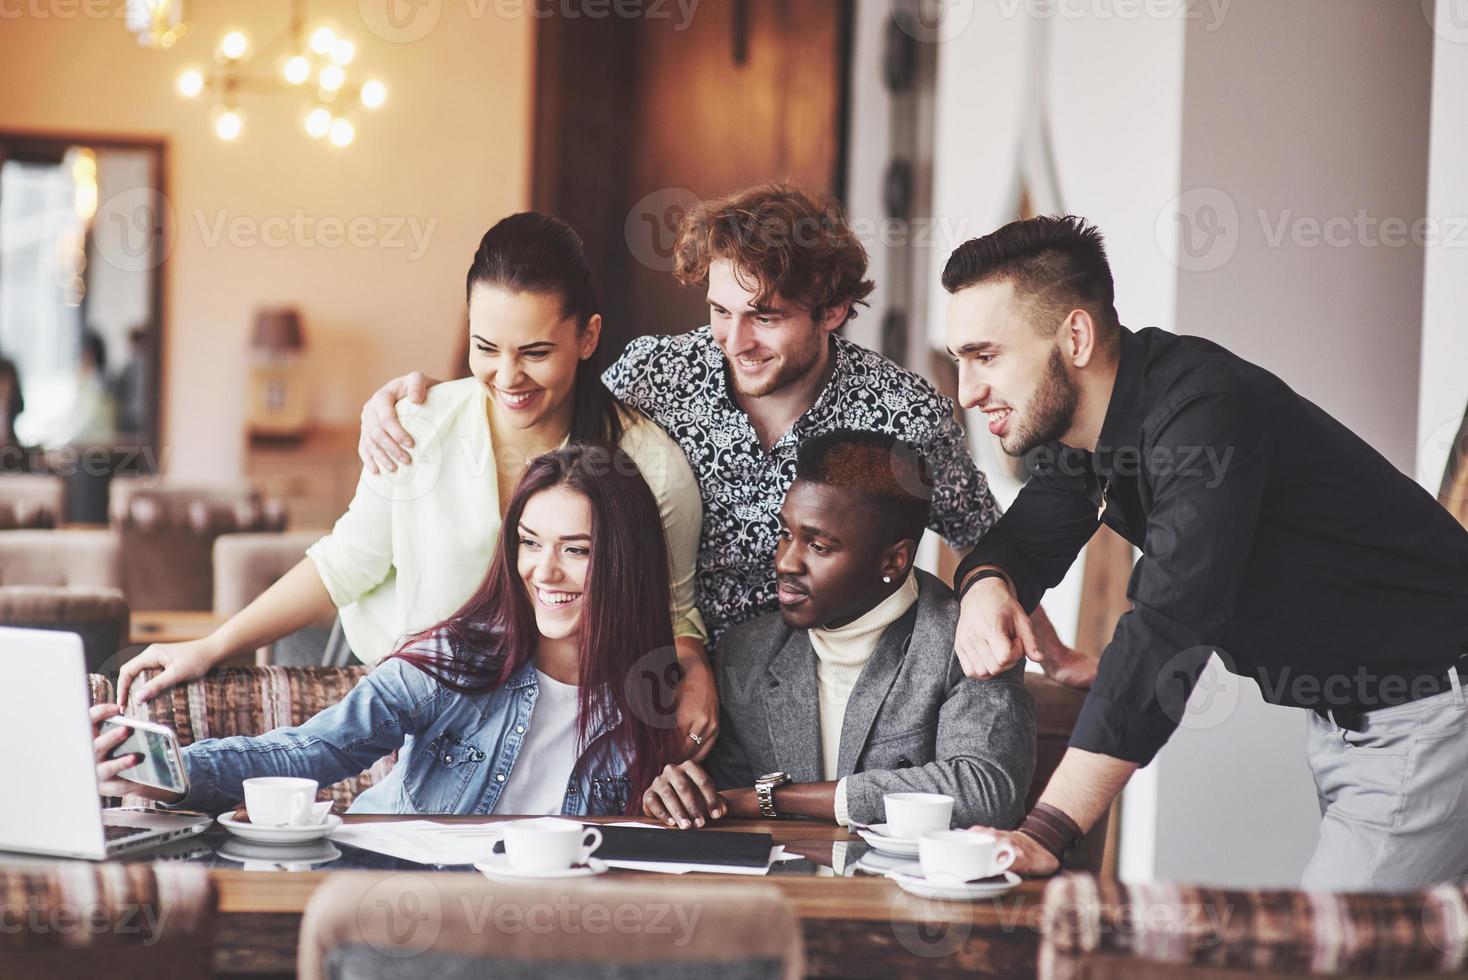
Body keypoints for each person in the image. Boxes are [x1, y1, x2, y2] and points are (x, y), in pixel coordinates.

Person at [943, 215, 1468, 892]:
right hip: (1355, 724)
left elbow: (1170, 624)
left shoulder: (1205, 415)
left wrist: (1043, 830)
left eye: (985, 356)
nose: (966, 391)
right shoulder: (1093, 432)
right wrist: (987, 583)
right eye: (960, 360)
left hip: (1432, 714)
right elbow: (1023, 540)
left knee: (1324, 957)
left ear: (1075, 336)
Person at [357, 183, 1077, 658]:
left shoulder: (903, 413)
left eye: (764, 317)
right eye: (720, 312)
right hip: (659, 678)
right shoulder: (655, 374)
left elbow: (992, 544)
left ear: (830, 312)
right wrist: (417, 397)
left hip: (830, 695)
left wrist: (1056, 654)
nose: (734, 342)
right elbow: (535, 408)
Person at [117, 213, 717, 758]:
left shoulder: (651, 468)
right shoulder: (418, 425)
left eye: (536, 352)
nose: (508, 378)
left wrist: (693, 673)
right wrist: (210, 647)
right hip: (404, 701)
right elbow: (345, 564)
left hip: (551, 728)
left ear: (587, 338)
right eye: (487, 348)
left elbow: (674, 616)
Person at [93, 446, 684, 816]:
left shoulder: (654, 702)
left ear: (624, 562)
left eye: (576, 550)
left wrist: (693, 796)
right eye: (529, 543)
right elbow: (314, 749)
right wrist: (165, 773)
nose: (543, 571)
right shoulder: (458, 659)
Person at [640, 430, 1035, 830]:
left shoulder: (966, 641)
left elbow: (987, 793)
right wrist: (685, 793)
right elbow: (727, 804)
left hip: (912, 889)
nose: (786, 562)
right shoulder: (748, 652)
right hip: (784, 890)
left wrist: (774, 799)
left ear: (894, 561)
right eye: (785, 534)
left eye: (819, 547)